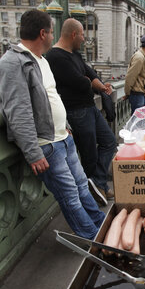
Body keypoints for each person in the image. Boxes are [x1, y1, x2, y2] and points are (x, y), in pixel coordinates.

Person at [0, 9, 105, 238]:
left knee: (82, 186)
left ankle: (103, 226)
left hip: (63, 138)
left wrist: (67, 128)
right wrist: (33, 152)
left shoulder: (42, 60)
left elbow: (53, 97)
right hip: (47, 146)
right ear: (43, 33)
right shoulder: (12, 64)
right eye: (52, 32)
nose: (54, 37)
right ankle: (94, 240)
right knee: (70, 197)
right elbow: (18, 112)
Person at [44, 18, 117, 206]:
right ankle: (91, 192)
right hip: (76, 111)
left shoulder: (75, 54)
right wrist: (87, 81)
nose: (84, 39)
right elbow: (81, 83)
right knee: (89, 153)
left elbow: (89, 74)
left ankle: (98, 182)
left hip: (90, 107)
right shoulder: (55, 57)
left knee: (109, 142)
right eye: (83, 34)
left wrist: (99, 85)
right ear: (74, 34)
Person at [125, 33, 145, 112]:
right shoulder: (139, 57)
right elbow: (130, 76)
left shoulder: (143, 56)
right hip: (137, 94)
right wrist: (127, 93)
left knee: (141, 120)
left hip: (140, 94)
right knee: (138, 121)